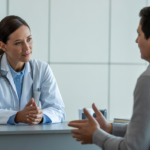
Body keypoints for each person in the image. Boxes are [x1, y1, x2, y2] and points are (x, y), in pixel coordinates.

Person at [68, 6, 150, 150]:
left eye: (139, 34)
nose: (136, 41)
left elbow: (131, 147)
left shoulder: (146, 81)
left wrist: (95, 135)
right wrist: (110, 127)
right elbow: (144, 132)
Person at [0, 15, 65, 125]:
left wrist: (41, 116)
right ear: (3, 46)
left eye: (29, 39)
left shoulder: (42, 69)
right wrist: (17, 116)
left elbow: (58, 109)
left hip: (32, 138)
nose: (27, 47)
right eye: (18, 43)